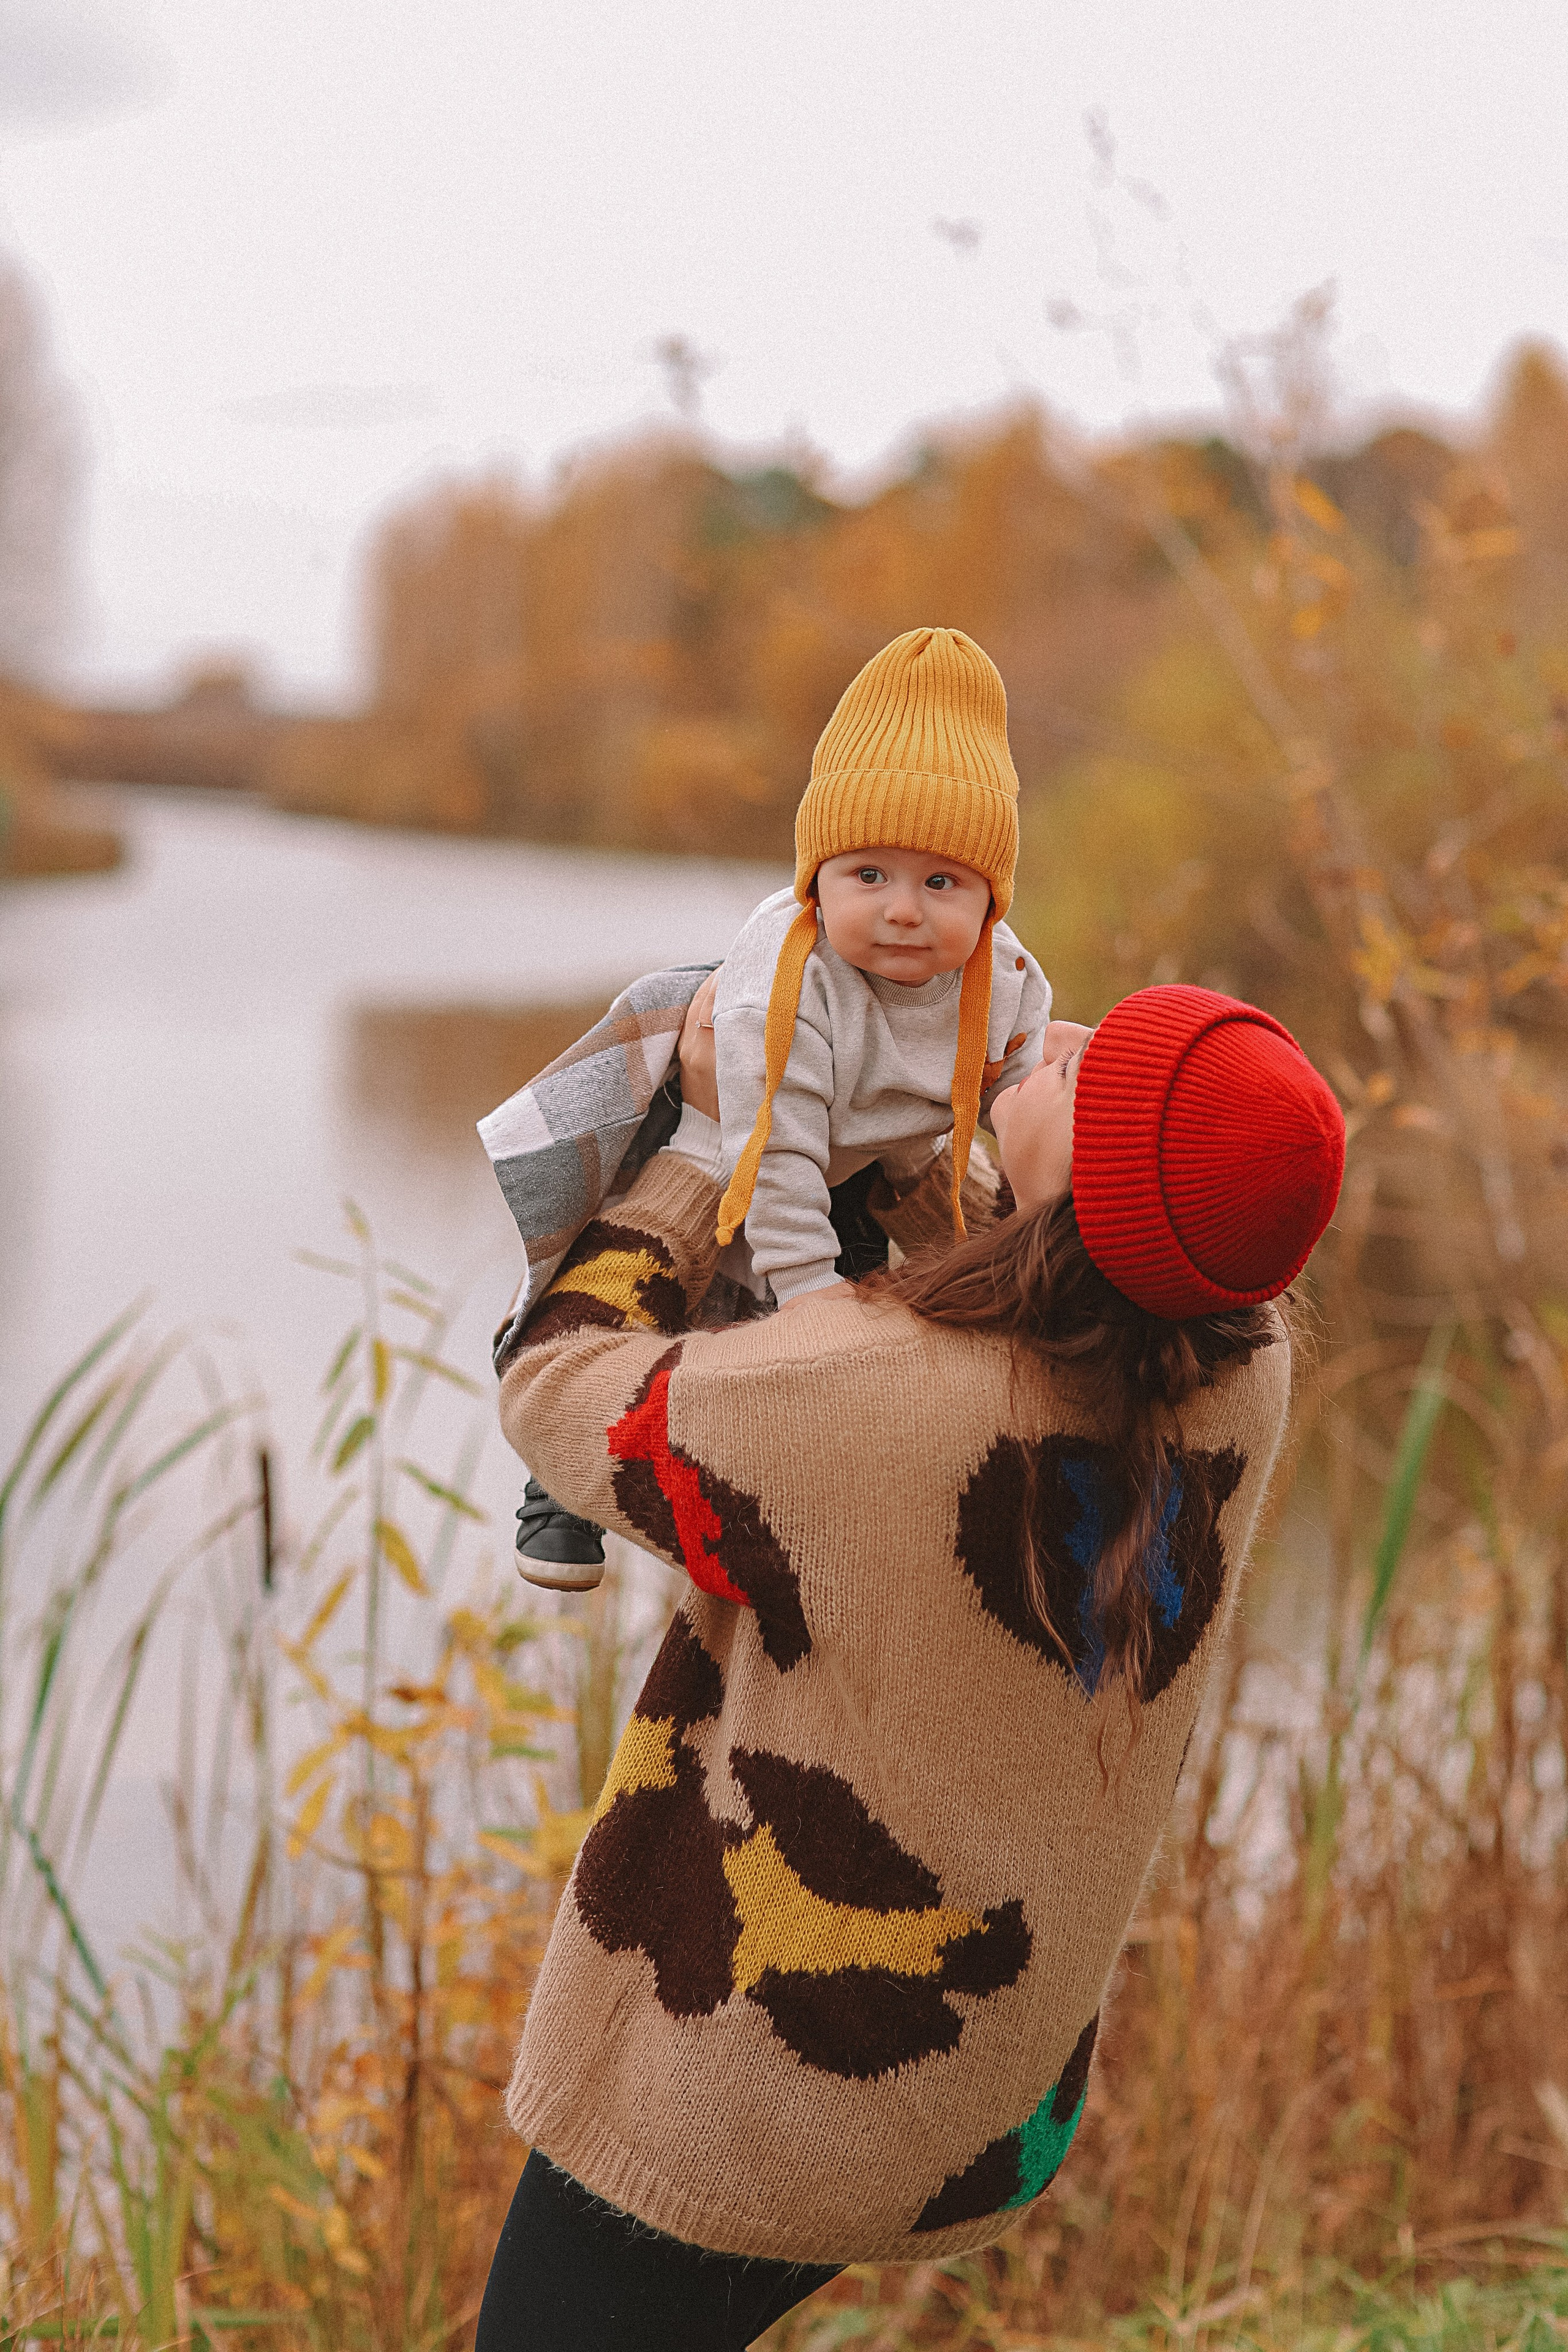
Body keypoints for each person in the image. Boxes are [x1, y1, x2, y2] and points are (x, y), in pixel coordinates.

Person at [475, 972, 1346, 2351]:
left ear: (1099, 1191)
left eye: (1090, 1070)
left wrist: (700, 1143)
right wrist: (901, 1114)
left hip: (743, 2088)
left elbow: (560, 1389)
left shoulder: (867, 1394)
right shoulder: (1239, 1368)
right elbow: (1034, 1263)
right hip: (975, 2102)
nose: (1060, 1039)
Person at [514, 625, 1049, 1584]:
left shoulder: (1004, 979)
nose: (903, 909)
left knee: (890, 1319)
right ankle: (567, 1478)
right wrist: (812, 1303)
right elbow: (779, 1152)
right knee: (675, 1289)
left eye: (942, 882)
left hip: (882, 1147)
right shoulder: (789, 982)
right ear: (817, 882)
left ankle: (829, 1504)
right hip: (735, 1124)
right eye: (869, 875)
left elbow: (1022, 1098)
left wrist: (1057, 1187)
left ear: (991, 900)